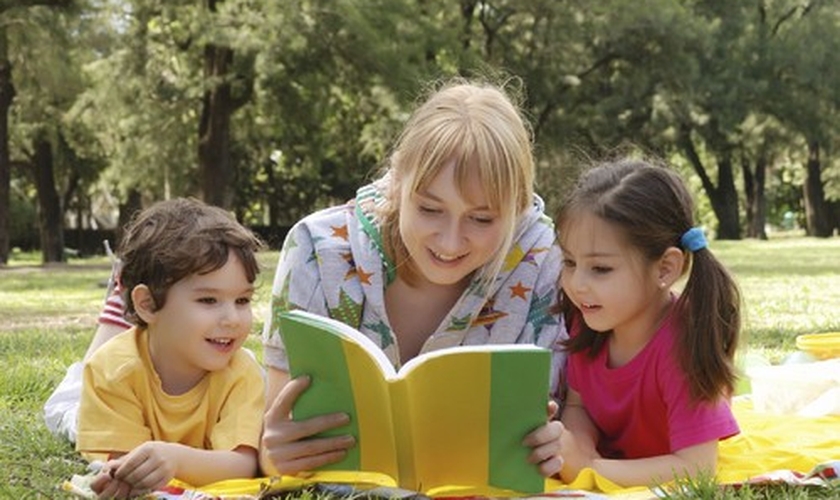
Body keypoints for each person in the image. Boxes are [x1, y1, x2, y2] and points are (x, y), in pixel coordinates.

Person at [259, 79, 568, 479]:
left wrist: (556, 447)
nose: (451, 241)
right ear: (398, 180)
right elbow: (271, 447)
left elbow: (560, 436)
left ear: (519, 206)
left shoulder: (544, 260)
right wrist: (277, 453)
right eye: (429, 209)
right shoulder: (316, 250)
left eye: (482, 219)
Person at [49, 198, 266, 498]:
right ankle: (117, 305)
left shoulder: (242, 373)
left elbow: (243, 465)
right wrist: (121, 475)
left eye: (242, 300)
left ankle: (124, 300)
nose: (232, 319)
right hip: (90, 397)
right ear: (148, 304)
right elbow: (122, 461)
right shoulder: (110, 370)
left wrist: (175, 460)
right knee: (66, 412)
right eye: (208, 300)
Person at [552, 159, 741, 487]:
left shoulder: (684, 350)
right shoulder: (590, 318)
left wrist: (589, 469)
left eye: (600, 269)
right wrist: (576, 448)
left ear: (665, 269)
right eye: (570, 262)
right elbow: (578, 405)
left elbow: (697, 469)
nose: (576, 283)